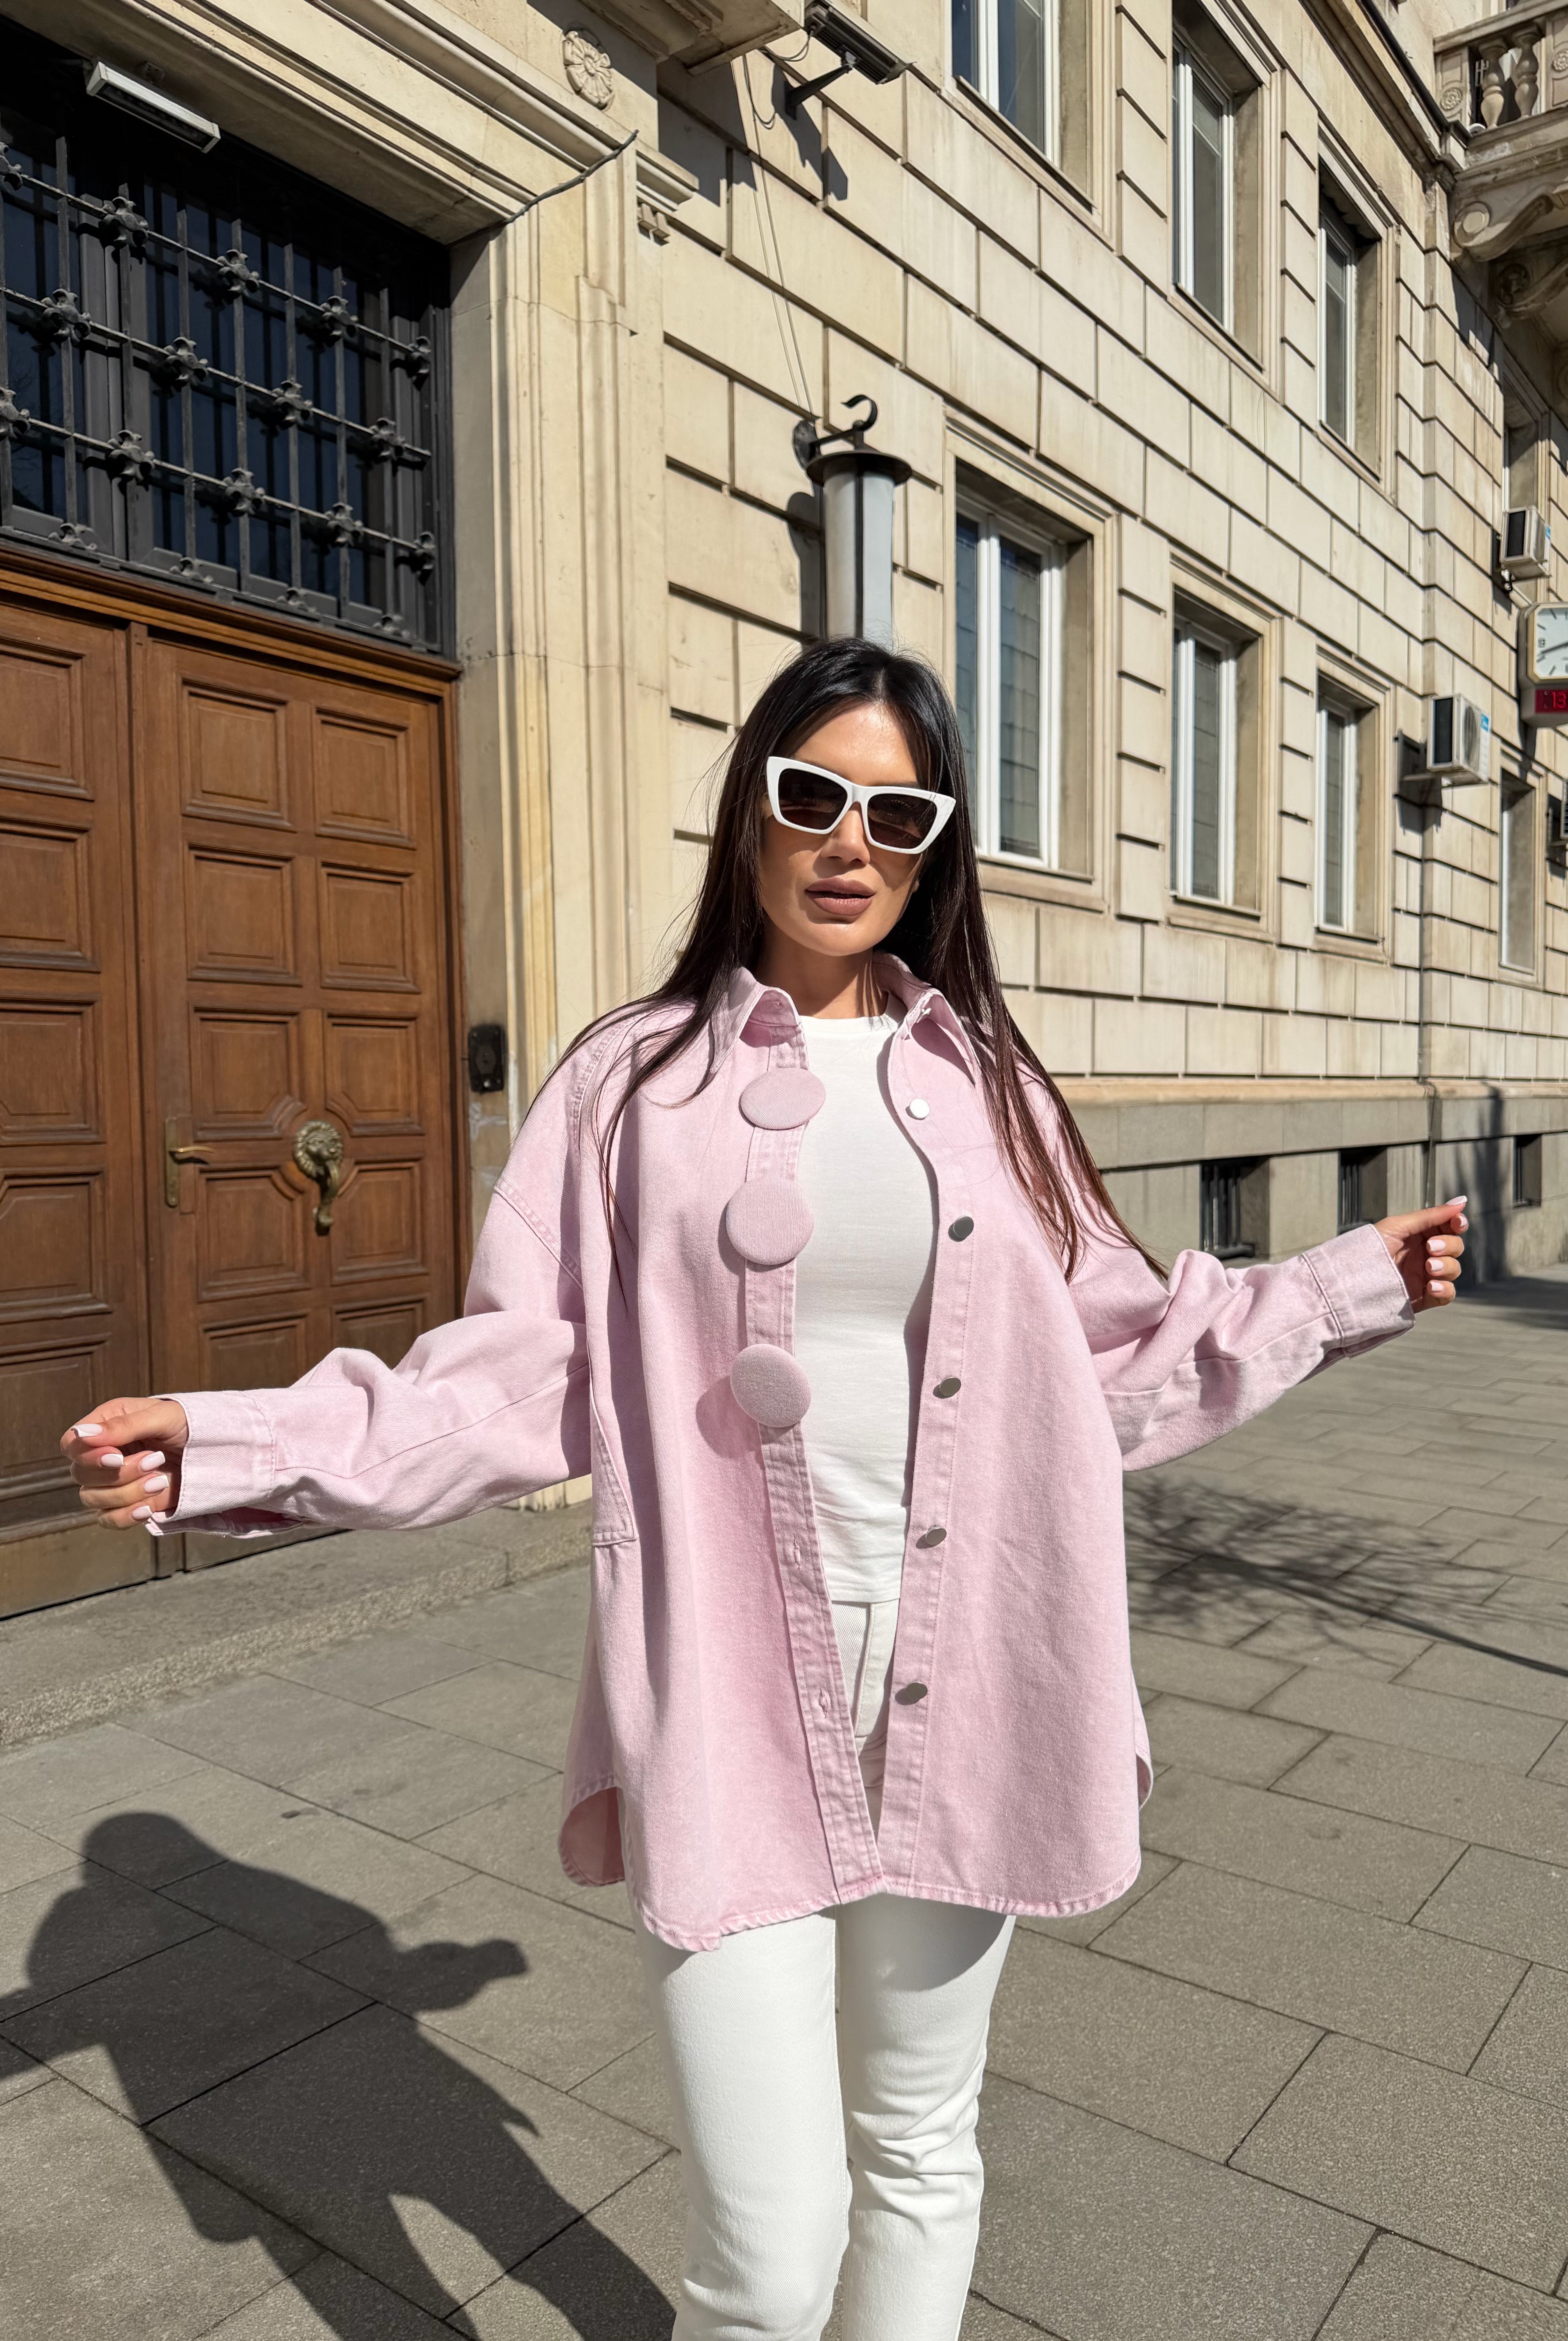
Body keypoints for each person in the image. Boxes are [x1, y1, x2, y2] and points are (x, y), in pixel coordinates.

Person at [63, 638, 1466, 2341]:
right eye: (814, 796)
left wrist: (1345, 1286)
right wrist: (241, 1448)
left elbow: (1114, 1360)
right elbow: (520, 1375)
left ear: (936, 847)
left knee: (922, 2153)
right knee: (771, 2250)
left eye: (900, 813)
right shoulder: (632, 1081)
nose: (850, 842)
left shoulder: (990, 1084)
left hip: (975, 1679)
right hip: (729, 1692)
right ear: (752, 812)